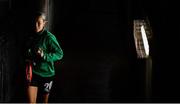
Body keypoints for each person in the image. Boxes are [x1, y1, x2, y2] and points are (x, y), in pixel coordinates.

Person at [25, 12, 63, 103]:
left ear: (44, 23)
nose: (36, 25)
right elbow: (26, 51)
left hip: (46, 75)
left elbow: (60, 54)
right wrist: (28, 57)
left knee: (44, 102)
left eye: (39, 23)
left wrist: (44, 56)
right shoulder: (31, 36)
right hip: (33, 73)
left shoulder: (49, 37)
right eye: (34, 22)